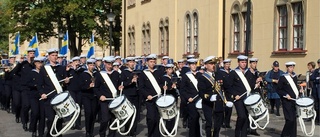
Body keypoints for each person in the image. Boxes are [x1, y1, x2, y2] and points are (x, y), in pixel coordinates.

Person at [197, 56, 233, 137]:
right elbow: (201, 92)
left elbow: (227, 88)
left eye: (214, 63)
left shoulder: (219, 75)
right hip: (209, 105)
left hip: (219, 104)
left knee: (218, 125)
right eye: (211, 64)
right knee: (210, 125)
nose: (213, 65)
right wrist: (209, 97)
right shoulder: (202, 77)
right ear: (206, 65)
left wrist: (229, 99)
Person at [38, 48, 70, 137]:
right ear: (48, 57)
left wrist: (67, 81)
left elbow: (65, 82)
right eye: (53, 55)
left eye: (56, 55)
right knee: (51, 118)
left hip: (60, 97)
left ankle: (58, 134)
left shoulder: (61, 68)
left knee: (59, 118)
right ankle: (50, 134)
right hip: (49, 98)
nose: (55, 57)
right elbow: (40, 84)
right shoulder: (44, 69)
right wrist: (42, 93)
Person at [94, 56, 121, 137]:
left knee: (114, 120)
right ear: (104, 63)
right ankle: (102, 133)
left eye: (111, 64)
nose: (110, 66)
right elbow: (96, 88)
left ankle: (112, 135)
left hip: (114, 99)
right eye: (108, 64)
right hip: (104, 100)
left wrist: (120, 87)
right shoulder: (100, 74)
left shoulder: (116, 74)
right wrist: (100, 96)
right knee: (105, 119)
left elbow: (118, 85)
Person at [138, 54, 162, 137]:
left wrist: (166, 87)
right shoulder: (143, 74)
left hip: (158, 98)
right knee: (151, 118)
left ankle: (156, 134)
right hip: (150, 99)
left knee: (157, 118)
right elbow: (141, 87)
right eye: (151, 62)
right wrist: (147, 95)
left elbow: (162, 84)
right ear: (147, 62)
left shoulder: (158, 72)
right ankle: (150, 133)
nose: (152, 63)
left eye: (154, 62)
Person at [227, 55, 250, 137]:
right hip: (238, 98)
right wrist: (234, 95)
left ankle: (244, 134)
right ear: (238, 63)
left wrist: (257, 82)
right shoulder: (234, 73)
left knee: (246, 117)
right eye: (242, 62)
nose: (244, 64)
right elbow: (229, 86)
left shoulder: (248, 72)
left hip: (247, 98)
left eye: (245, 62)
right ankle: (237, 132)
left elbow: (250, 85)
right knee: (241, 116)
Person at [277, 61, 300, 137]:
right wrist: (286, 94)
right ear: (287, 68)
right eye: (290, 67)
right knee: (289, 120)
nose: (292, 69)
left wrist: (299, 89)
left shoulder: (294, 76)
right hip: (286, 101)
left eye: (293, 67)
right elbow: (279, 89)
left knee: (293, 120)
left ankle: (293, 135)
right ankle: (284, 134)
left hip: (294, 101)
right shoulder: (283, 77)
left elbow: (295, 87)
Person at [22, 57, 44, 137]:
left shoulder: (44, 72)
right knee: (35, 113)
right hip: (33, 95)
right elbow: (26, 83)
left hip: (43, 95)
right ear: (35, 63)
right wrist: (35, 85)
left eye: (41, 62)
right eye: (38, 63)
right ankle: (33, 129)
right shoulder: (31, 73)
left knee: (42, 115)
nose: (40, 64)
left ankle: (41, 132)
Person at [180, 58, 201, 137]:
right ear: (189, 66)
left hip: (199, 99)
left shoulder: (200, 75)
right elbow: (182, 90)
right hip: (191, 100)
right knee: (193, 118)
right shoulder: (186, 76)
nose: (194, 66)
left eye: (195, 64)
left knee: (199, 119)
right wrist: (188, 97)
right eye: (192, 65)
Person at [120, 57, 140, 136]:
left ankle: (133, 131)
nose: (132, 64)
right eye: (130, 62)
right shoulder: (124, 72)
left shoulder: (136, 72)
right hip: (128, 94)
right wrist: (131, 81)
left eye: (133, 62)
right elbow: (122, 83)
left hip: (136, 94)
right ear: (127, 63)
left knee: (135, 113)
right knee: (128, 113)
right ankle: (127, 128)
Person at [80, 59, 98, 137]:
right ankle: (87, 131)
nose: (92, 67)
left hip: (94, 96)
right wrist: (88, 86)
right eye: (90, 65)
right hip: (86, 96)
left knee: (93, 114)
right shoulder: (83, 74)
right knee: (88, 113)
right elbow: (81, 86)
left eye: (93, 65)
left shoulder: (96, 74)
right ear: (87, 65)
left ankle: (91, 131)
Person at [67, 56, 84, 130]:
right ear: (72, 62)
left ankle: (78, 123)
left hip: (79, 90)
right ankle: (72, 123)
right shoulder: (69, 70)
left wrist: (76, 69)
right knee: (73, 107)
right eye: (75, 61)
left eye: (78, 61)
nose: (77, 63)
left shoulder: (82, 70)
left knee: (78, 106)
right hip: (71, 90)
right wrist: (70, 69)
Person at [216, 59, 233, 129]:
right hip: (224, 92)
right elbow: (219, 82)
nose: (228, 66)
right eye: (227, 64)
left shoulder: (231, 72)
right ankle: (222, 121)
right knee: (224, 107)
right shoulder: (220, 72)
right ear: (224, 65)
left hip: (230, 92)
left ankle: (227, 122)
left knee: (230, 108)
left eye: (229, 64)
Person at [310, 59, 320, 125]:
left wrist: (316, 79)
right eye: (318, 63)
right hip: (315, 91)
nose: (319, 64)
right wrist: (317, 79)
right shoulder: (316, 71)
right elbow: (312, 78)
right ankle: (317, 118)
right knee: (316, 106)